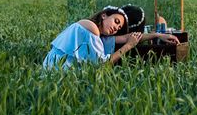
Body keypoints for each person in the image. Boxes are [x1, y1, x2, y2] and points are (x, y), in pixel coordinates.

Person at [42, 4, 179, 69]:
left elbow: (128, 37)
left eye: (118, 28)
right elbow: (102, 65)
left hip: (55, 68)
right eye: (116, 21)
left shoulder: (97, 33)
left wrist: (158, 35)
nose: (116, 28)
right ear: (104, 15)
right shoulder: (91, 28)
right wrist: (128, 46)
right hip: (58, 70)